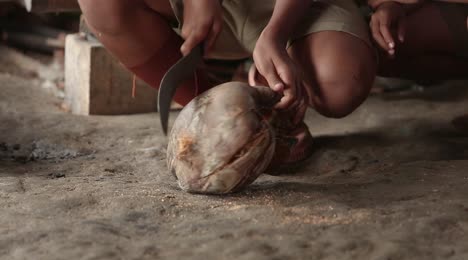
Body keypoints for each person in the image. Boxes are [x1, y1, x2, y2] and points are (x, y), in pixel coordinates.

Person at [77, 0, 468, 174]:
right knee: (102, 2)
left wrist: (275, 35)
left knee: (339, 85)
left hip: (292, 6)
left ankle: (277, 87)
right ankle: (216, 112)